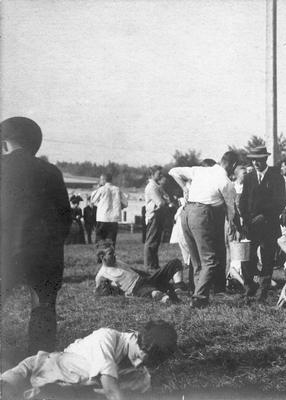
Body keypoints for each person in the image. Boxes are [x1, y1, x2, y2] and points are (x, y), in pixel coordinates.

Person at [0, 117, 71, 354]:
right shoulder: (51, 172)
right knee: (43, 306)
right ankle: (42, 364)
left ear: (4, 143)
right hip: (43, 253)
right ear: (35, 145)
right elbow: (64, 216)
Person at [0, 320, 177, 400]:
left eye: (145, 364)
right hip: (44, 365)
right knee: (9, 382)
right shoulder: (107, 337)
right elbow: (110, 389)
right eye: (138, 356)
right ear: (135, 337)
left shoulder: (141, 377)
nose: (138, 365)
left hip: (64, 389)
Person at [169, 152, 236, 308]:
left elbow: (173, 171)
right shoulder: (226, 182)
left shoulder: (200, 170)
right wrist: (232, 225)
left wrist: (185, 188)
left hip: (186, 213)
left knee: (197, 260)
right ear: (232, 165)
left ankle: (197, 294)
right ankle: (199, 298)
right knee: (210, 261)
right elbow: (230, 210)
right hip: (202, 215)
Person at [239, 145, 286, 300]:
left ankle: (262, 291)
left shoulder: (277, 177)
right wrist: (247, 219)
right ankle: (249, 287)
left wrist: (264, 215)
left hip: (269, 225)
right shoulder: (248, 178)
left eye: (259, 160)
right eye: (253, 160)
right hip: (250, 226)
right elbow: (243, 202)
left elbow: (280, 203)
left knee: (267, 259)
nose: (255, 163)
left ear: (266, 159)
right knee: (246, 257)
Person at [94, 240, 182, 303]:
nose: (114, 255)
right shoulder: (101, 275)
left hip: (145, 280)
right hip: (136, 289)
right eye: (110, 254)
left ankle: (179, 288)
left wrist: (152, 276)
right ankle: (167, 298)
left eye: (114, 253)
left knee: (175, 263)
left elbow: (134, 271)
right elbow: (100, 292)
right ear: (102, 257)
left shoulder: (118, 262)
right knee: (155, 293)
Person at [90, 173, 128, 246]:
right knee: (111, 242)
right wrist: (120, 207)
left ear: (104, 180)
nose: (100, 181)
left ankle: (101, 256)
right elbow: (125, 203)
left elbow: (92, 199)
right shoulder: (117, 189)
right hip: (114, 220)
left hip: (102, 218)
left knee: (100, 242)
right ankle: (110, 256)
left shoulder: (101, 189)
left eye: (100, 179)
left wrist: (98, 187)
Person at [144, 166, 169, 269]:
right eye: (159, 174)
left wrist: (165, 200)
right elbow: (161, 202)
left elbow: (166, 198)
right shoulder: (152, 187)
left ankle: (154, 264)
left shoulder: (156, 186)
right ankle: (149, 265)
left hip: (158, 215)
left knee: (155, 242)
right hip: (154, 216)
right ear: (152, 175)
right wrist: (165, 200)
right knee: (151, 242)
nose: (161, 176)